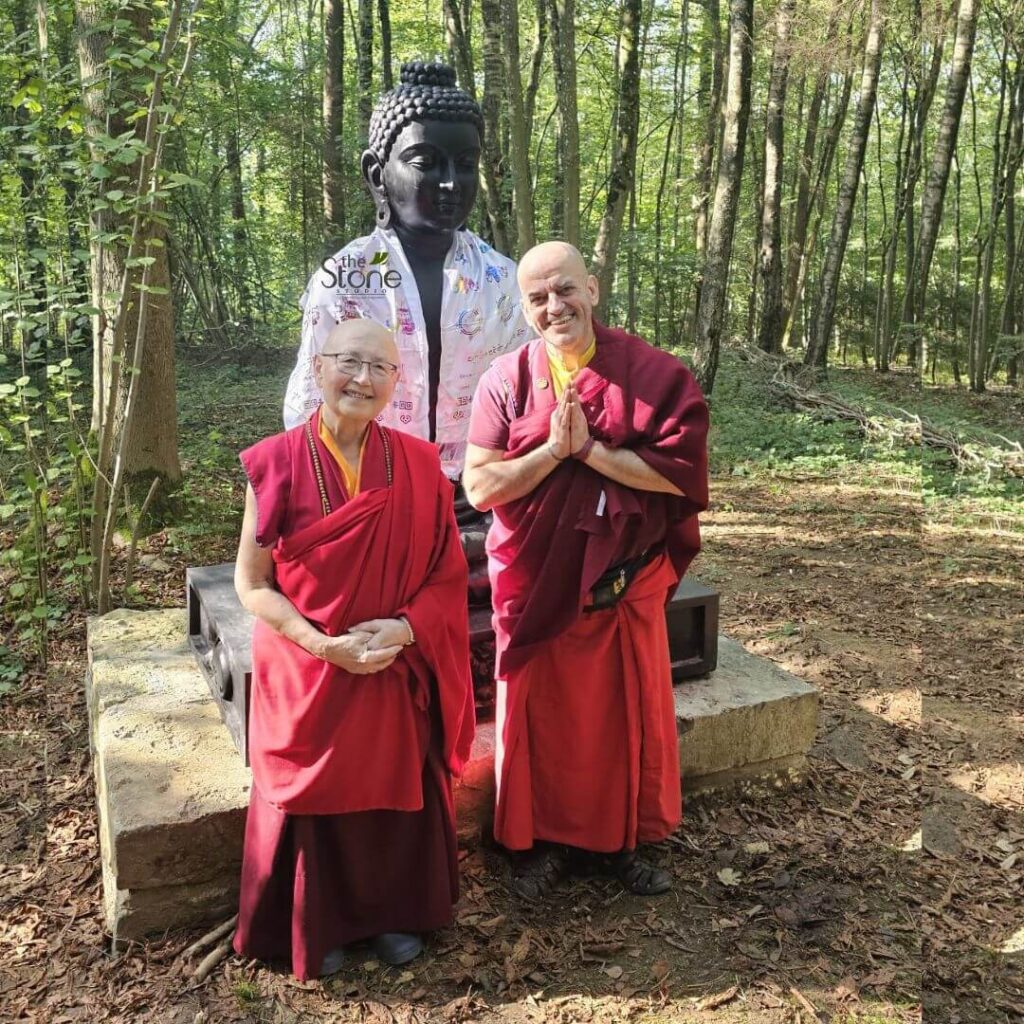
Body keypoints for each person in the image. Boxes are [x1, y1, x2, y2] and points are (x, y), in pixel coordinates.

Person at [462, 242, 709, 899]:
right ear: (524, 308)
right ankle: (540, 845)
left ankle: (619, 843)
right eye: (538, 297)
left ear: (592, 289)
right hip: (536, 583)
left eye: (565, 289)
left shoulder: (652, 375)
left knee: (620, 718)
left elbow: (679, 476)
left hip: (621, 584)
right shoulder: (504, 382)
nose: (554, 306)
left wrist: (592, 452)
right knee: (539, 721)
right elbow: (480, 487)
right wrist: (551, 451)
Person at [233, 318, 475, 979]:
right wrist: (320, 644)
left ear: (396, 383)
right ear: (318, 367)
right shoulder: (275, 462)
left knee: (396, 777)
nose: (363, 380)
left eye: (380, 369)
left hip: (391, 660)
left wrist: (406, 629)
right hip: (308, 665)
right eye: (349, 362)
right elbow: (253, 586)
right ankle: (318, 922)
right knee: (315, 795)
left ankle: (394, 913)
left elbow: (446, 574)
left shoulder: (421, 465)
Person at [284, 60, 529, 484]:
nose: (451, 182)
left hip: (479, 486)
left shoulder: (504, 281)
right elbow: (310, 403)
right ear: (377, 174)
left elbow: (525, 396)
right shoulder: (346, 279)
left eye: (465, 164)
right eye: (426, 162)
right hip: (369, 485)